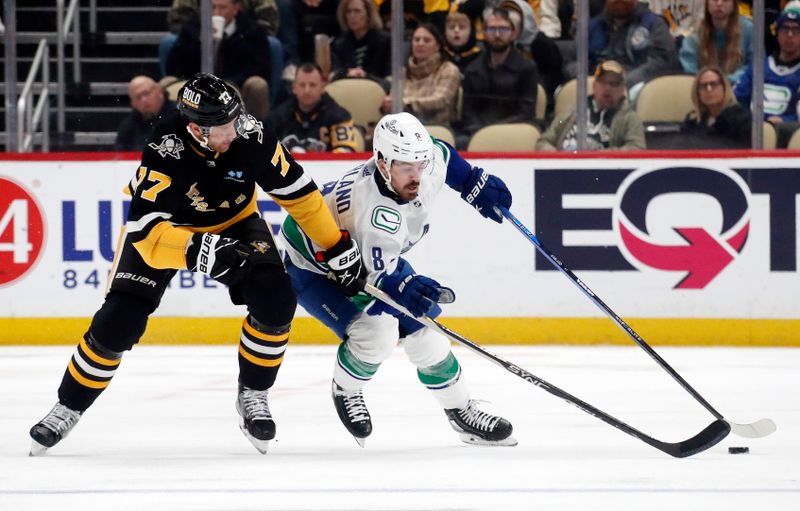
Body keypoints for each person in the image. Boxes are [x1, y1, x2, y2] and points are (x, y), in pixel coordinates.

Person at [28, 73, 364, 456]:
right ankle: (67, 406)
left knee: (277, 300)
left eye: (237, 119)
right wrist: (197, 249)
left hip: (236, 223)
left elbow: (301, 196)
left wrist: (334, 244)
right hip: (166, 233)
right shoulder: (165, 147)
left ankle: (253, 393)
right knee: (117, 323)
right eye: (224, 127)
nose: (235, 132)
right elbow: (146, 231)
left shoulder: (250, 135)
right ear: (195, 129)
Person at [280, 112, 517, 447]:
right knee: (377, 334)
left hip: (366, 258)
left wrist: (472, 181)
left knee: (426, 333)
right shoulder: (372, 214)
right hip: (311, 266)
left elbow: (441, 153)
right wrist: (402, 288)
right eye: (406, 166)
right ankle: (346, 389)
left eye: (419, 164)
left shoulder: (420, 169)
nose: (416, 176)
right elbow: (375, 279)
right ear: (381, 162)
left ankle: (460, 411)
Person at [165, 0, 272, 119]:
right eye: (213, 7)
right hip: (195, 82)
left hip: (237, 83)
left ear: (236, 8)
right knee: (165, 83)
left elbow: (262, 68)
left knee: (258, 85)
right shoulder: (191, 29)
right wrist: (200, 42)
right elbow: (173, 67)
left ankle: (258, 131)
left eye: (222, 8)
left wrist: (229, 82)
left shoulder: (251, 30)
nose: (216, 13)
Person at [458, 7, 539, 145]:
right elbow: (468, 112)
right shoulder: (473, 69)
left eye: (503, 29)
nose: (497, 34)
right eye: (491, 29)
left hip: (514, 133)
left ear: (514, 33)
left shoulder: (527, 68)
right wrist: (481, 133)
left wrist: (493, 132)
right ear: (483, 33)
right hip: (476, 134)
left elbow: (526, 113)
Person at [536, 60, 647, 151]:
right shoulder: (571, 112)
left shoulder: (629, 119)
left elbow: (637, 149)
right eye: (603, 82)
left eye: (614, 84)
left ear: (622, 90)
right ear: (594, 86)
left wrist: (603, 156)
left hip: (601, 173)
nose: (607, 88)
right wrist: (557, 158)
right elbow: (544, 141)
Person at [735, 1, 800, 145]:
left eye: (795, 30)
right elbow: (738, 100)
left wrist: (786, 122)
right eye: (785, 29)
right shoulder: (758, 66)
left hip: (788, 139)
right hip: (749, 134)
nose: (789, 35)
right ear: (777, 33)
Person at [588, 0, 678, 94]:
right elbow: (578, 56)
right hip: (595, 85)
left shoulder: (654, 24)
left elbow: (662, 61)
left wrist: (626, 81)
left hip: (638, 88)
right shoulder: (593, 26)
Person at [266, 63, 359, 153]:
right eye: (302, 85)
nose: (307, 90)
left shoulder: (339, 117)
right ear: (294, 87)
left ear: (322, 87)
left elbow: (346, 152)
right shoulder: (277, 118)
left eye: (312, 85)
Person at [380, 23, 461, 125]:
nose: (420, 43)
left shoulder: (449, 70)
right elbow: (394, 100)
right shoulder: (402, 73)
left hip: (436, 128)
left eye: (426, 40)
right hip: (402, 128)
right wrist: (388, 104)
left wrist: (407, 103)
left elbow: (440, 100)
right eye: (416, 40)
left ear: (438, 46)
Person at [679, 0, 753, 86]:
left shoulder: (748, 29)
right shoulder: (695, 32)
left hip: (739, 90)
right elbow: (689, 72)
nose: (719, 3)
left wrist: (724, 81)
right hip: (704, 90)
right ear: (706, 3)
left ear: (734, 4)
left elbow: (755, 67)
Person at [681, 66, 752, 147]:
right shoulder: (692, 121)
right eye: (703, 86)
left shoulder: (742, 119)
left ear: (724, 88)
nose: (709, 89)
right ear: (697, 93)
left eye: (713, 84)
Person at [328, 0, 391, 86]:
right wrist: (347, 73)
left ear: (369, 15)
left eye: (357, 11)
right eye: (348, 12)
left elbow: (390, 80)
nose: (352, 16)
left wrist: (366, 76)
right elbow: (334, 75)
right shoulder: (339, 44)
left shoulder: (385, 41)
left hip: (377, 91)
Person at [115, 76, 174, 152]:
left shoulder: (180, 115)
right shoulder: (128, 126)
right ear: (133, 104)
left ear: (160, 92)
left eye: (146, 93)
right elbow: (122, 157)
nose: (144, 100)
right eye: (138, 97)